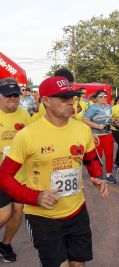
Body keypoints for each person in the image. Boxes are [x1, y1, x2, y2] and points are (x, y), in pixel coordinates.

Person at [0, 76, 108, 267]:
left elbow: (90, 158)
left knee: (79, 264)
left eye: (72, 97)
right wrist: (35, 197)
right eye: (63, 98)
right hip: (44, 217)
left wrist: (97, 177)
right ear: (46, 101)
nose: (70, 102)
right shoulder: (28, 135)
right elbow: (4, 175)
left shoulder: (82, 130)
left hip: (77, 211)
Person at [0, 78, 32, 262]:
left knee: (18, 211)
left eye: (16, 96)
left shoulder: (24, 115)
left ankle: (5, 244)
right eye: (8, 96)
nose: (13, 99)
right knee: (5, 213)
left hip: (20, 175)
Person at [83, 89, 116, 184]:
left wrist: (114, 121)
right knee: (98, 156)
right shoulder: (93, 108)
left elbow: (109, 119)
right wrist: (97, 126)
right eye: (101, 96)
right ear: (96, 98)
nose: (103, 98)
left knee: (109, 154)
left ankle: (109, 174)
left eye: (105, 96)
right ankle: (98, 174)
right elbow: (85, 120)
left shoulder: (109, 107)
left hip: (108, 134)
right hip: (97, 135)